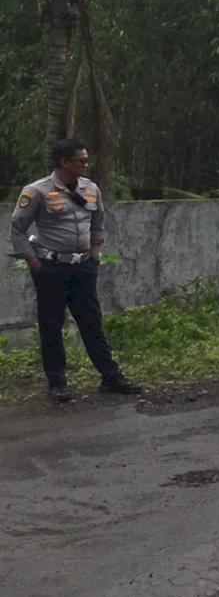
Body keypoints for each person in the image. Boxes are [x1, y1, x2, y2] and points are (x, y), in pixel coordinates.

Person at [8, 139, 142, 402]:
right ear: (63, 162)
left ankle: (110, 376)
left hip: (83, 267)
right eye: (81, 160)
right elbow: (18, 230)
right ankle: (57, 382)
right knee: (51, 325)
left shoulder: (91, 189)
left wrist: (94, 255)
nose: (86, 164)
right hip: (52, 268)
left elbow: (98, 222)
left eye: (86, 159)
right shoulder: (37, 191)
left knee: (92, 323)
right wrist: (35, 263)